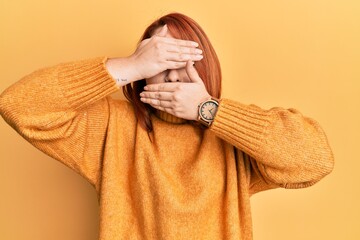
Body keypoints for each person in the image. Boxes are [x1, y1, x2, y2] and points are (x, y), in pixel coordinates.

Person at [0, 12, 334, 240]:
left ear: (208, 67)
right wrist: (128, 65)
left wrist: (209, 110)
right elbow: (19, 105)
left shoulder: (233, 138)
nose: (173, 72)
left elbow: (315, 160)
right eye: (162, 59)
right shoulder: (111, 126)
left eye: (184, 58)